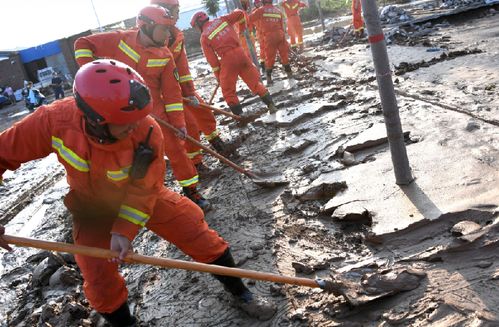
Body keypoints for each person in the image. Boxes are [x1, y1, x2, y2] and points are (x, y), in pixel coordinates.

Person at [0, 59, 276, 326]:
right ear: (95, 118)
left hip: (141, 196)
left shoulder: (146, 130)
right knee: (98, 278)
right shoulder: (53, 121)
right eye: (126, 123)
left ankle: (241, 293)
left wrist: (124, 229)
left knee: (194, 229)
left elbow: (145, 188)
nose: (136, 126)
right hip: (91, 208)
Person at [74, 5, 211, 211]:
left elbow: (172, 93)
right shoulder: (119, 39)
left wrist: (178, 123)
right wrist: (92, 72)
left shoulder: (165, 55)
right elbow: (82, 43)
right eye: (163, 29)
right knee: (126, 157)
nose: (166, 34)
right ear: (147, 26)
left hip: (154, 112)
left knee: (176, 150)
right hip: (119, 113)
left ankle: (191, 190)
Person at [150, 0, 237, 163]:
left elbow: (182, 68)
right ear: (165, 11)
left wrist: (190, 92)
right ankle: (196, 163)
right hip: (162, 94)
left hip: (179, 87)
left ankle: (217, 142)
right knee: (187, 125)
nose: (177, 15)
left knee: (203, 111)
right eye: (176, 10)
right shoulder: (149, 38)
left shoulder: (176, 35)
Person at [191, 10, 278, 116]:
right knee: (254, 83)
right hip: (241, 53)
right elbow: (240, 14)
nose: (196, 30)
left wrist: (219, 77)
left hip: (228, 59)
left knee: (228, 91)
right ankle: (271, 105)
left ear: (198, 24)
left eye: (195, 27)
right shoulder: (222, 19)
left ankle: (240, 116)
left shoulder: (204, 37)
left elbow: (213, 62)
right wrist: (241, 30)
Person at [249, 0, 293, 85]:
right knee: (284, 55)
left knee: (270, 57)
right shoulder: (278, 11)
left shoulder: (261, 10)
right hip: (280, 34)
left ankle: (269, 78)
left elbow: (249, 19)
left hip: (269, 36)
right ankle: (289, 74)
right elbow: (282, 26)